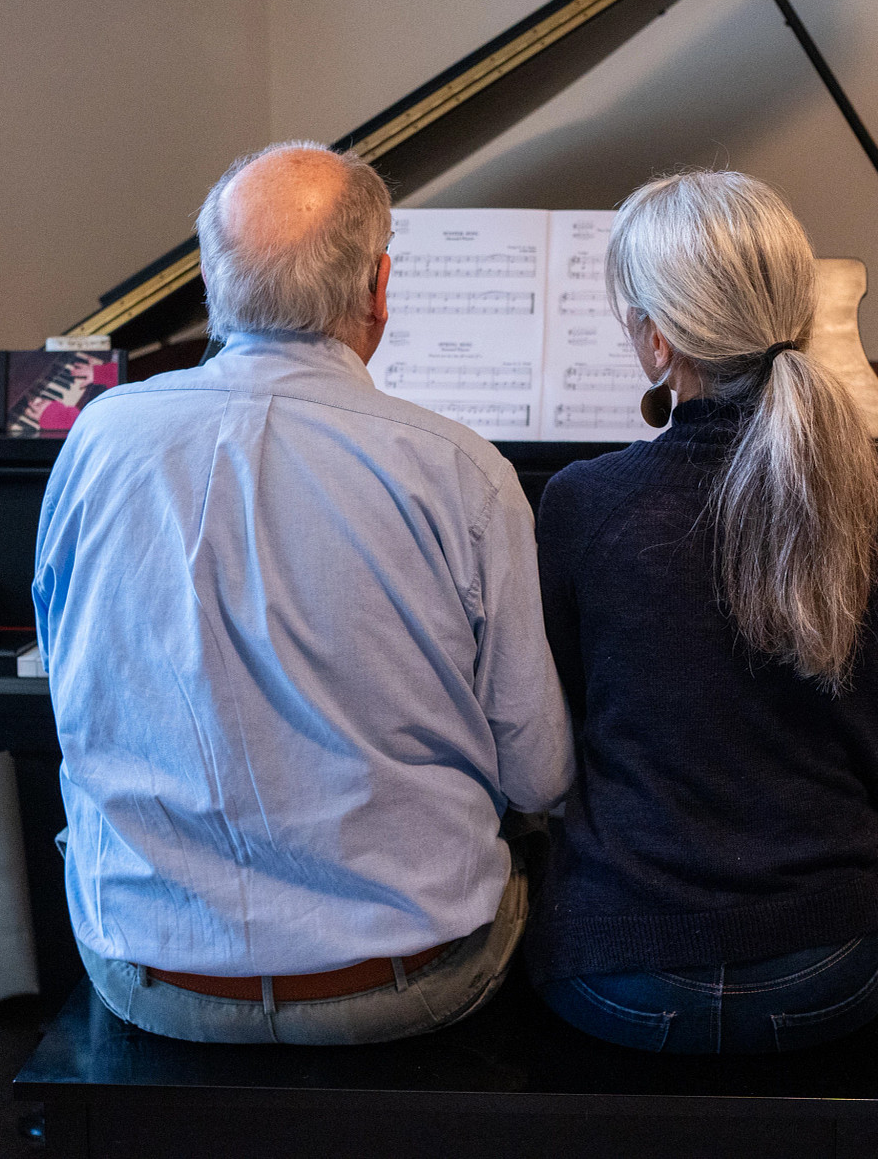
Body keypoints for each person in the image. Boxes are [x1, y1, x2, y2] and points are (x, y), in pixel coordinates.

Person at [32, 140, 573, 1046]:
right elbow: (538, 775)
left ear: (212, 285)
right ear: (379, 290)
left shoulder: (98, 440)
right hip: (409, 979)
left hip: (151, 970)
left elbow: (68, 679)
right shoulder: (461, 471)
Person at [527, 170, 878, 1054]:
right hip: (833, 964)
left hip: (621, 973)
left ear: (658, 340)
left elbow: (570, 711)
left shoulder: (583, 504)